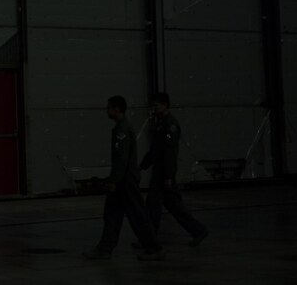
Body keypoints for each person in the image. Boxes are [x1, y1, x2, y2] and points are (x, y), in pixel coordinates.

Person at [84, 95, 164, 261]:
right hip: (123, 180)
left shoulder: (122, 130)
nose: (107, 111)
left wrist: (114, 181)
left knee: (137, 216)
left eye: (109, 108)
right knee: (112, 215)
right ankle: (105, 249)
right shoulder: (121, 128)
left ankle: (154, 248)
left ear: (117, 109)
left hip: (125, 181)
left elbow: (122, 158)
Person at [140, 92, 208, 246]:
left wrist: (169, 176)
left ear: (165, 105)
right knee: (171, 206)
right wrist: (143, 165)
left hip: (164, 172)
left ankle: (150, 239)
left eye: (156, 105)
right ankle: (198, 230)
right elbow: (155, 149)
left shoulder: (170, 124)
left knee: (155, 205)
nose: (154, 108)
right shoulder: (160, 123)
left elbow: (169, 153)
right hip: (160, 171)